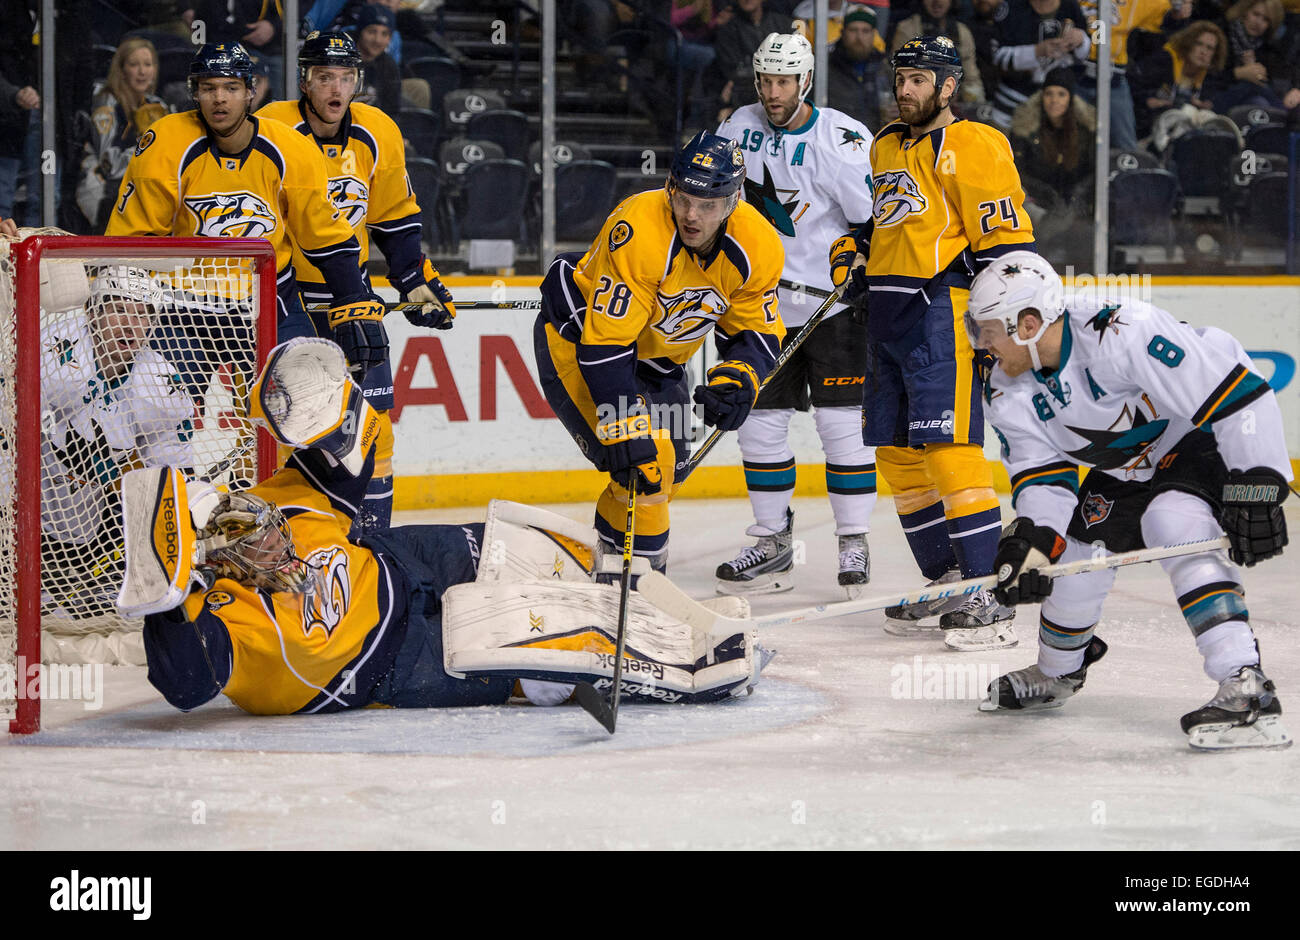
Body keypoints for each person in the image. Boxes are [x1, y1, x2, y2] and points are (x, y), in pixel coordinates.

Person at [126, 337, 765, 715]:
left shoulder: (286, 506)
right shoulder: (234, 627)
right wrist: (167, 598)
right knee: (548, 667)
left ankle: (655, 603)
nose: (269, 531)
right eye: (247, 536)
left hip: (405, 560)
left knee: (552, 559)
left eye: (255, 516)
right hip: (397, 662)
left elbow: (360, 446)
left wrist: (332, 407)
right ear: (219, 567)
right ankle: (692, 665)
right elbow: (185, 683)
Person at [967, 251, 1292, 750]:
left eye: (988, 330)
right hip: (1127, 462)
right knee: (1076, 558)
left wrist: (1257, 485)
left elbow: (1237, 395)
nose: (981, 343)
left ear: (1028, 324)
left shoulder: (1121, 331)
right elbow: (1044, 477)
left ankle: (1245, 685)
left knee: (1175, 521)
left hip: (1200, 435)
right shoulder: (1006, 386)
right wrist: (1034, 541)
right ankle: (1059, 673)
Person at [830, 35, 1034, 650]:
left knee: (948, 447)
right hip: (887, 314)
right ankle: (947, 578)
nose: (905, 89)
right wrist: (854, 255)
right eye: (901, 78)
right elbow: (884, 223)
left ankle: (987, 592)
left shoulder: (975, 143)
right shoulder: (886, 144)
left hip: (943, 310)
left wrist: (1003, 328)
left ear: (948, 86)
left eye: (919, 79)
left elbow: (1005, 246)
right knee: (896, 454)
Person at [532, 131, 786, 573]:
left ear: (734, 200)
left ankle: (609, 569)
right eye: (684, 198)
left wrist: (739, 379)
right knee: (646, 466)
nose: (691, 215)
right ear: (670, 186)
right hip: (579, 347)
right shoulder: (641, 228)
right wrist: (625, 426)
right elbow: (605, 346)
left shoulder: (759, 245)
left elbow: (755, 332)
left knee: (660, 477)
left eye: (708, 205)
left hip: (658, 363)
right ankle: (643, 593)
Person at [106, 43, 388, 406]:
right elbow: (134, 242)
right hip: (183, 310)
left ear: (251, 91)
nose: (219, 99)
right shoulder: (166, 142)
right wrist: (123, 306)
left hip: (270, 305)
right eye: (208, 88)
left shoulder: (290, 147)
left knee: (312, 406)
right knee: (155, 408)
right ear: (194, 93)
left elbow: (326, 237)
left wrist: (354, 298)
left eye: (231, 88)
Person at [257, 31, 456, 538]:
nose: (335, 88)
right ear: (304, 80)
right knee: (302, 431)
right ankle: (299, 543)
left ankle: (370, 549)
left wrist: (413, 278)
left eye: (346, 78)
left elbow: (392, 215)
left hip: (355, 300)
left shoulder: (378, 130)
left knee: (375, 431)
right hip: (290, 300)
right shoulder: (273, 127)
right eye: (324, 77)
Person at [714, 33, 877, 597]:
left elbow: (871, 223)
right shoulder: (738, 126)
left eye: (784, 81)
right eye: (765, 80)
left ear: (806, 80)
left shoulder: (843, 137)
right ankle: (770, 539)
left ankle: (853, 538)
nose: (773, 91)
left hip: (831, 310)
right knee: (759, 428)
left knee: (841, 429)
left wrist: (857, 261)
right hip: (756, 307)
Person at [30, 266, 200, 665]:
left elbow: (172, 476)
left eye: (143, 314)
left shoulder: (161, 383)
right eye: (121, 310)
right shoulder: (53, 355)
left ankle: (96, 578)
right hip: (24, 485)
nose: (133, 324)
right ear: (93, 312)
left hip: (84, 512)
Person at [77, 39, 170, 233]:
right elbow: (109, 165)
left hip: (138, 188)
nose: (142, 72)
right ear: (121, 70)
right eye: (134, 64)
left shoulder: (158, 105)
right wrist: (147, 144)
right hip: (101, 192)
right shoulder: (106, 104)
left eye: (148, 64)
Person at [989, 0, 1091, 130]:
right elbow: (997, 57)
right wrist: (1036, 51)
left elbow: (1085, 55)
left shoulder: (1071, 5)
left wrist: (1081, 39)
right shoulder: (1010, 7)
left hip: (1058, 106)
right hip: (1013, 102)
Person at [1131, 20, 1230, 139]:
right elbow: (1133, 84)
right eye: (1199, 44)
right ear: (1188, 43)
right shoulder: (1164, 60)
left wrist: (1205, 105)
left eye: (1209, 48)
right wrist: (1148, 100)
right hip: (1149, 128)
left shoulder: (1210, 77)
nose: (1203, 51)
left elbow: (1212, 103)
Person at [888, 0, 988, 108]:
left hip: (955, 103)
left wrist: (977, 105)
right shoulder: (907, 29)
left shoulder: (962, 32)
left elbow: (971, 78)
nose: (937, 2)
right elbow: (900, 74)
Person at [714, 0, 798, 119]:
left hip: (784, 87)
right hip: (744, 93)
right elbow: (733, 70)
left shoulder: (783, 24)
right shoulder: (728, 30)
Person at [826, 7, 891, 130]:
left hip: (877, 140)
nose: (859, 37)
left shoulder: (885, 68)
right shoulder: (827, 67)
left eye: (865, 31)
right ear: (843, 33)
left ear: (873, 35)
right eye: (853, 30)